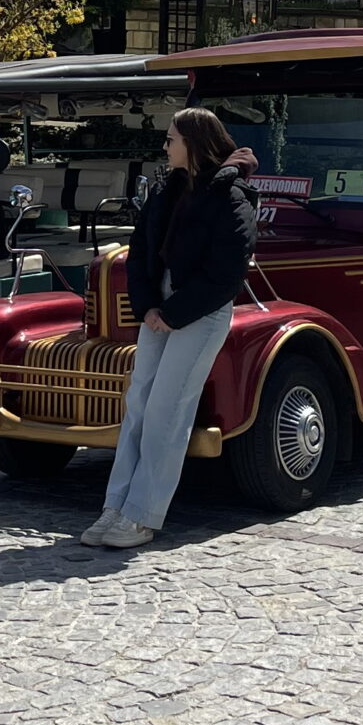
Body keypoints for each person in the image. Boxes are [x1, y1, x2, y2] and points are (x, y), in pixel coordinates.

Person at [84, 107, 257, 550]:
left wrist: (172, 312)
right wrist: (146, 306)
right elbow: (140, 247)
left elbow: (227, 272)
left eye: (171, 139)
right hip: (160, 308)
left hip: (201, 312)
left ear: (193, 144)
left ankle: (142, 517)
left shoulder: (232, 195)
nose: (165, 147)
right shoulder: (168, 188)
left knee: (167, 411)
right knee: (139, 403)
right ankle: (116, 506)